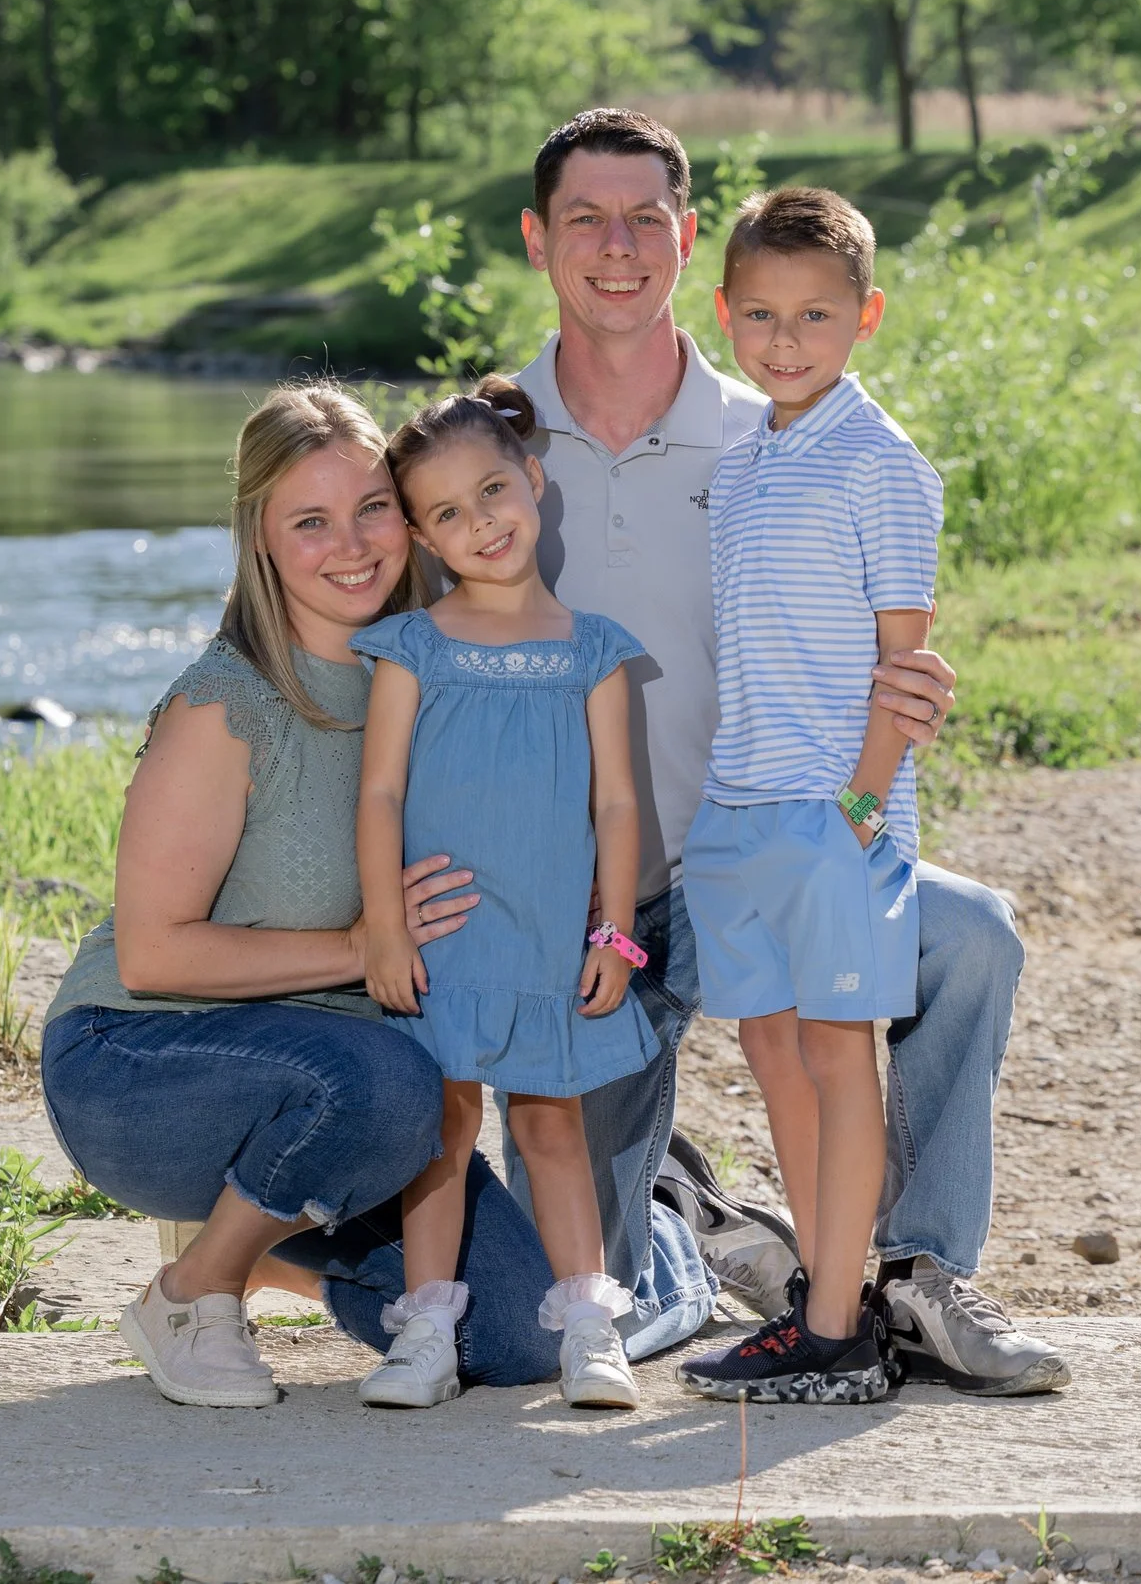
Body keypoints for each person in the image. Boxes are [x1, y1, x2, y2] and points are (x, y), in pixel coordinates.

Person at [511, 108, 1070, 1397]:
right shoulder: (493, 440)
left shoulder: (777, 427)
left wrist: (877, 775)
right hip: (626, 875)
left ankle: (900, 1280)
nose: (615, 247)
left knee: (961, 940)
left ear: (684, 239)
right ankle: (726, 1232)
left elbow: (889, 630)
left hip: (802, 823)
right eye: (586, 220)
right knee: (532, 1308)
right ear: (540, 238)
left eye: (643, 217)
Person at [41, 383, 566, 1407]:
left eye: (373, 507)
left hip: (356, 1094)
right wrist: (364, 944)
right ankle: (194, 1289)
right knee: (389, 1085)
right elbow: (154, 953)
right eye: (310, 521)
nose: (353, 544)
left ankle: (271, 1229)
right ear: (262, 539)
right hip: (142, 1064)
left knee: (516, 1332)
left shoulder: (432, 676)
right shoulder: (225, 703)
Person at [676, 187, 941, 1405]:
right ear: (724, 311)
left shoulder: (884, 466)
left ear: (866, 316)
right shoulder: (743, 462)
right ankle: (820, 1301)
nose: (785, 340)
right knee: (772, 1049)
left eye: (816, 315)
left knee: (840, 1050)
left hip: (838, 812)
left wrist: (865, 810)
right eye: (762, 315)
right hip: (739, 810)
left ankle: (842, 1326)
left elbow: (907, 661)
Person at [351, 377, 654, 1411]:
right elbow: (381, 789)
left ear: (533, 478)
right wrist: (382, 927)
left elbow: (618, 805)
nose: (480, 522)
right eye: (447, 512)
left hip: (540, 937)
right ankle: (427, 1329)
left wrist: (615, 933)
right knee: (439, 1131)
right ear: (425, 539)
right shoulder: (415, 647)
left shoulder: (593, 650)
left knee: (549, 1123)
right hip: (441, 941)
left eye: (492, 489)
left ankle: (591, 1332)